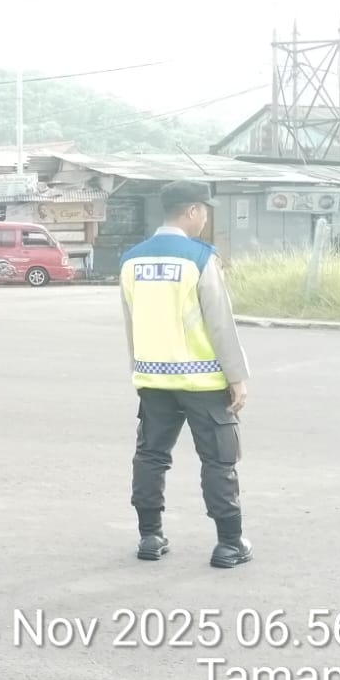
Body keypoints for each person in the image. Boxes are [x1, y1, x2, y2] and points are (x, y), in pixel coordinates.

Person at [119, 181, 253, 569]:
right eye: (204, 211)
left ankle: (149, 536)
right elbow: (220, 324)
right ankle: (229, 544)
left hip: (153, 379)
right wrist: (236, 377)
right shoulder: (199, 259)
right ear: (192, 211)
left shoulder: (131, 261)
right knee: (219, 461)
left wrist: (139, 370)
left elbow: (131, 323)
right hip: (202, 381)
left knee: (150, 456)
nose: (205, 219)